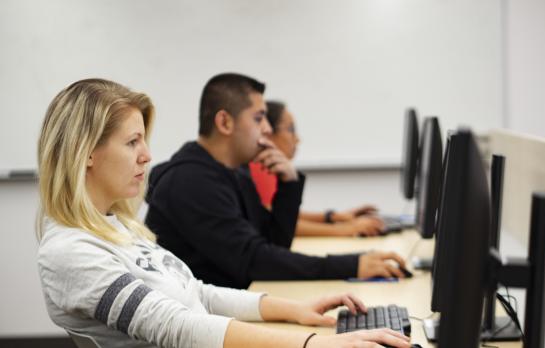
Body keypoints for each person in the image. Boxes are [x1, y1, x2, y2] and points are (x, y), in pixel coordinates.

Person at [35, 78, 411, 348]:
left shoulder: (115, 227)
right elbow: (176, 326)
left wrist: (294, 310)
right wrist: (312, 344)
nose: (147, 155)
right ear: (86, 152)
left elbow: (197, 294)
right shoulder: (69, 251)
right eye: (133, 141)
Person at [145, 73, 408, 290]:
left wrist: (288, 185)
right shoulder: (190, 182)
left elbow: (274, 243)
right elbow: (256, 260)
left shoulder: (235, 174)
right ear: (225, 122)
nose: (267, 130)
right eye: (259, 119)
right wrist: (352, 265)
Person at [249, 100, 384, 237]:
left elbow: (282, 214)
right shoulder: (259, 167)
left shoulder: (265, 166)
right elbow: (275, 223)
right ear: (268, 133)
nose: (297, 139)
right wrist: (347, 229)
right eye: (291, 130)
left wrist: (333, 217)